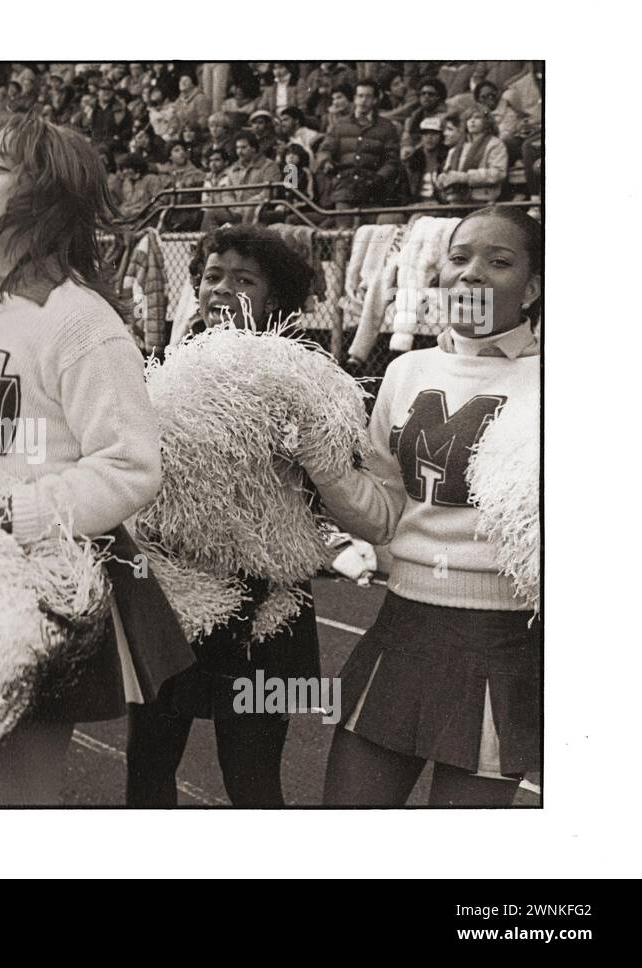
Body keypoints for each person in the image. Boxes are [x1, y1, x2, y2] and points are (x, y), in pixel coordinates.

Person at [0, 112, 188, 805]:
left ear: (48, 200)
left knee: (22, 800)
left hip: (46, 582)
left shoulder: (82, 323)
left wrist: (23, 512)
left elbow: (133, 463)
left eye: (1, 165)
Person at [300, 207, 542, 807]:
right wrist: (323, 465)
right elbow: (381, 514)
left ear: (535, 287)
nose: (472, 275)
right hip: (402, 625)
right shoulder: (406, 371)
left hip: (505, 639)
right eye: (459, 259)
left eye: (499, 261)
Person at [129, 225, 322, 806]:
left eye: (244, 280)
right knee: (147, 772)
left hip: (266, 606)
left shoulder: (300, 373)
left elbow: (325, 479)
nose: (221, 290)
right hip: (175, 599)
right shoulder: (165, 364)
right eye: (212, 276)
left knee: (253, 779)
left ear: (273, 298)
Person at [315, 80, 401, 213]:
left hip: (373, 190)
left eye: (368, 96)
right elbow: (325, 149)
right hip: (344, 188)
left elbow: (392, 160)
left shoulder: (387, 128)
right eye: (360, 96)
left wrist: (379, 178)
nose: (363, 100)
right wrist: (326, 161)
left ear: (375, 100)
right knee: (342, 231)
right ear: (354, 99)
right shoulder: (339, 125)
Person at [436, 107, 509, 206]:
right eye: (469, 119)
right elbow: (447, 172)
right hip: (455, 200)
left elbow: (498, 174)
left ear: (487, 122)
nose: (472, 121)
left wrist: (465, 177)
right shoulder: (455, 149)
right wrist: (442, 179)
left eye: (477, 118)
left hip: (483, 200)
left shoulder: (495, 144)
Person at [225, 131, 281, 224]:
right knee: (212, 213)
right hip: (235, 210)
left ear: (254, 148)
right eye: (237, 148)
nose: (240, 151)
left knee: (249, 210)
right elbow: (227, 193)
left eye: (244, 147)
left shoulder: (269, 165)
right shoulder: (233, 168)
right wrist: (233, 207)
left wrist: (247, 204)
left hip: (258, 209)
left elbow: (269, 192)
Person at [404, 116, 448, 206]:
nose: (429, 137)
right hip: (416, 204)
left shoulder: (448, 157)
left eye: (434, 134)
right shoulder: (411, 160)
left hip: (440, 205)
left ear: (441, 137)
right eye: (425, 134)